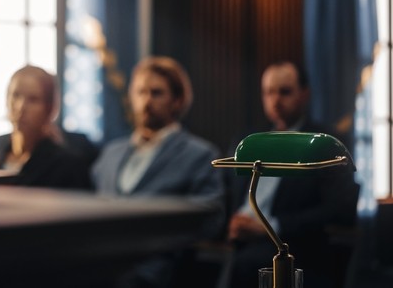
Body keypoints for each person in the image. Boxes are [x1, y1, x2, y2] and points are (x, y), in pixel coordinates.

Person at [91, 56, 225, 288]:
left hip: (156, 268)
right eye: (140, 92)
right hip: (100, 263)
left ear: (177, 100)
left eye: (156, 93)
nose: (146, 101)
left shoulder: (200, 154)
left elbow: (210, 218)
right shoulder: (110, 153)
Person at [226, 61, 359, 288]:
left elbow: (340, 208)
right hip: (239, 241)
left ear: (304, 94)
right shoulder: (249, 141)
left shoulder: (324, 143)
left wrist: (272, 225)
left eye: (284, 92)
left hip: (295, 246)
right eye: (269, 92)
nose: (275, 100)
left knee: (246, 265)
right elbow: (227, 193)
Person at [0, 65, 96, 189]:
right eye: (15, 95)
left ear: (50, 108)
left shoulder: (68, 166)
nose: (20, 107)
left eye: (33, 100)